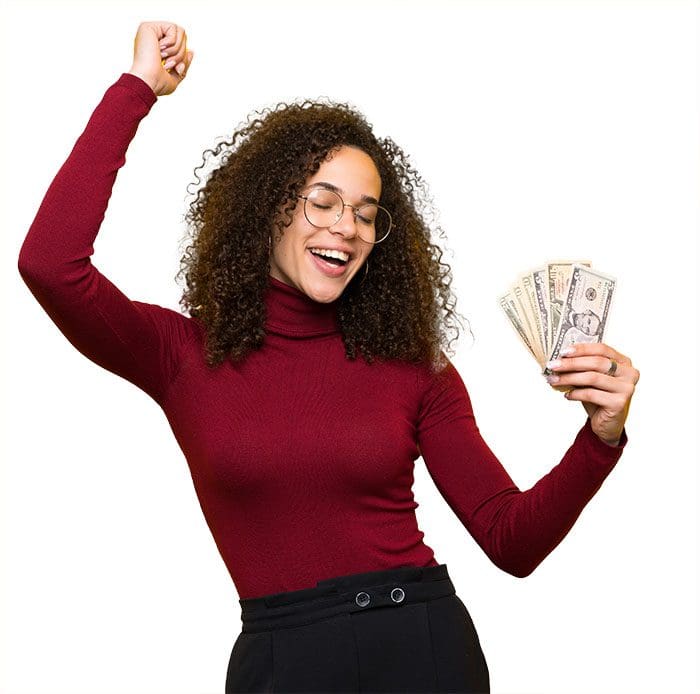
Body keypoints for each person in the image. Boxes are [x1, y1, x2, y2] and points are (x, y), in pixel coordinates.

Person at [16, 20, 640, 694]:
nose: (346, 225)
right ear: (270, 209)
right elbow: (51, 264)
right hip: (283, 664)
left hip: (423, 648)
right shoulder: (181, 354)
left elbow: (510, 540)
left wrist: (600, 438)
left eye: (367, 213)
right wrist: (137, 88)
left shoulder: (414, 369)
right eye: (323, 201)